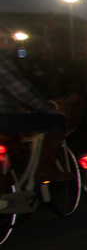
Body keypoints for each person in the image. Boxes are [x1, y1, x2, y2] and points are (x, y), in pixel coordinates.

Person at [0, 31, 68, 173]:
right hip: (4, 119)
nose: (7, 44)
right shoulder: (2, 60)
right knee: (58, 121)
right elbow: (22, 90)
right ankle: (44, 171)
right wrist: (48, 109)